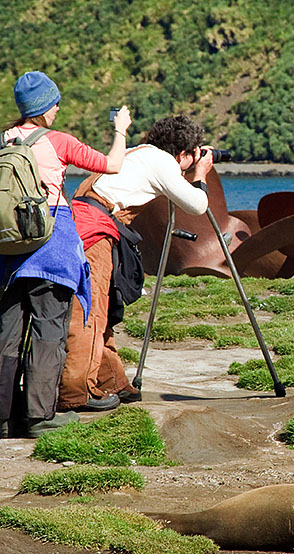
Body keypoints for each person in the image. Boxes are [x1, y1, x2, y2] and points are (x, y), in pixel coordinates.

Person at [0, 70, 131, 437]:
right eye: (54, 104)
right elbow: (112, 165)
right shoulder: (58, 141)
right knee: (49, 330)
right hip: (49, 248)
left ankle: (5, 416)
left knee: (8, 330)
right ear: (45, 107)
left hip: (6, 251)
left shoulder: (0, 142)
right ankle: (40, 416)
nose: (56, 110)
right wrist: (121, 130)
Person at [57, 115, 212, 412]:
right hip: (95, 231)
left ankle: (112, 382)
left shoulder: (137, 153)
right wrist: (201, 174)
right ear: (183, 154)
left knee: (99, 310)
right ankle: (75, 394)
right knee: (89, 313)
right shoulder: (162, 162)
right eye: (193, 154)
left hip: (82, 222)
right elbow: (197, 204)